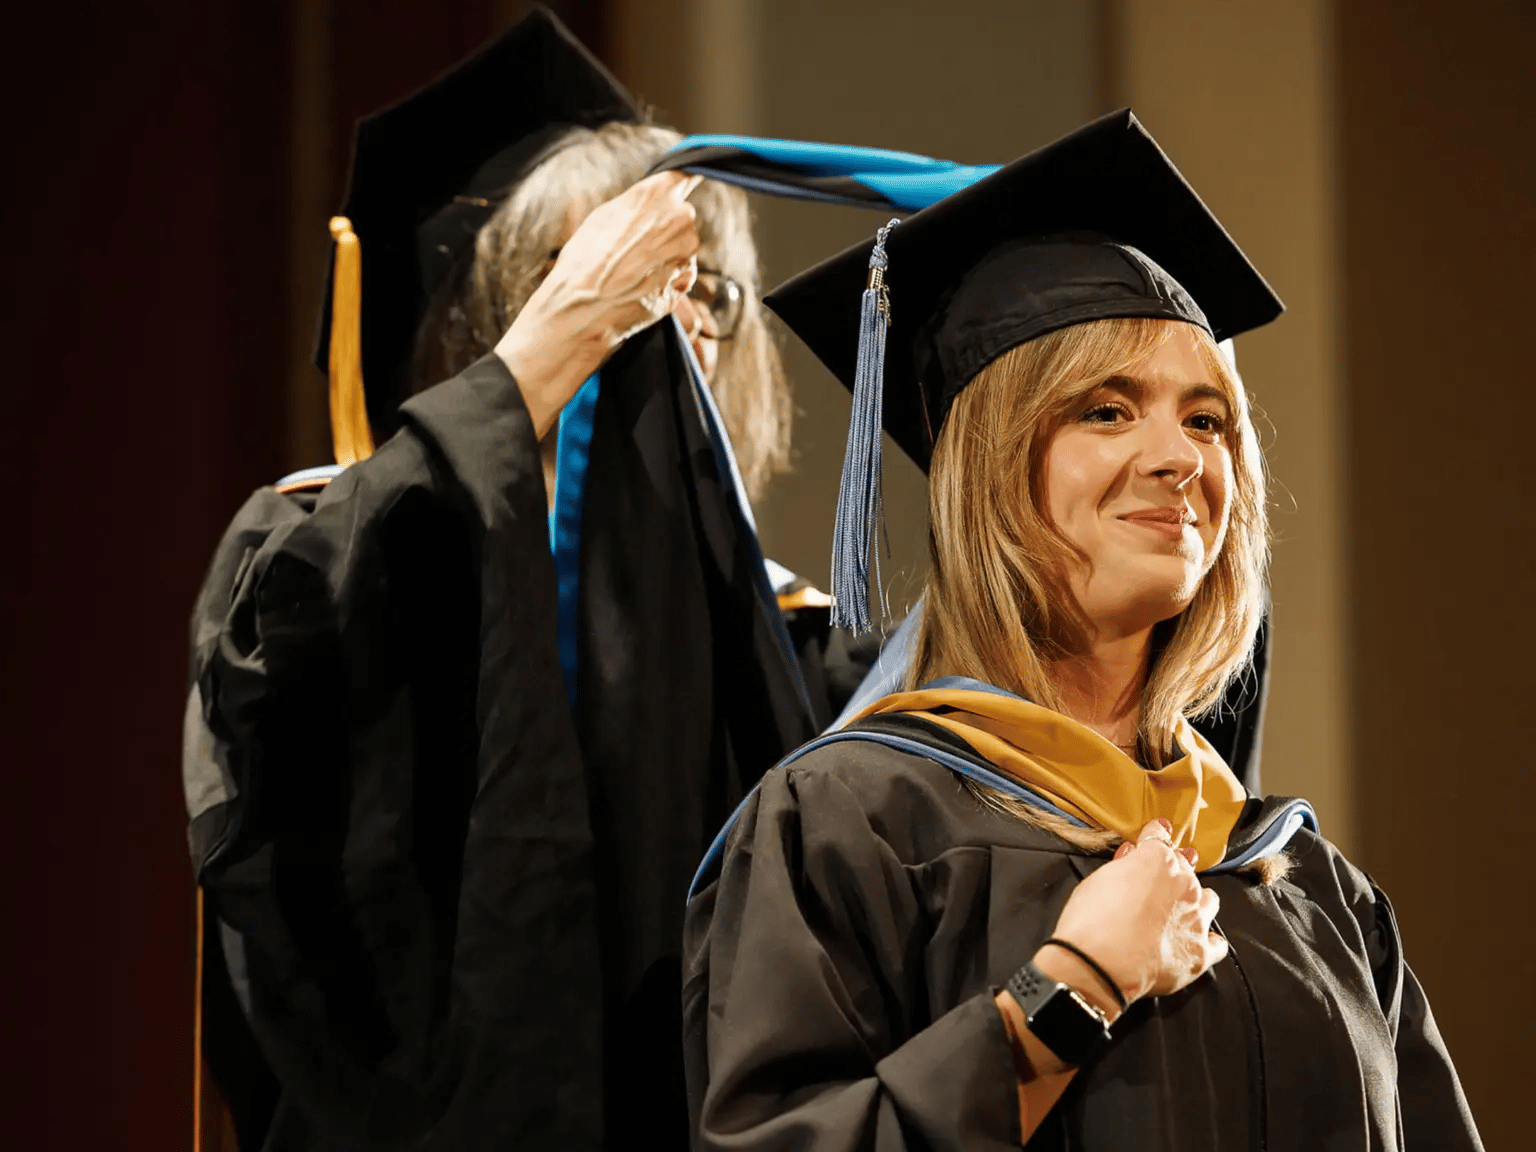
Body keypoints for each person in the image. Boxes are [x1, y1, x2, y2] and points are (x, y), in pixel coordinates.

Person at [682, 110, 1483, 1150]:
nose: (1176, 457)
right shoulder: (850, 827)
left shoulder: (1305, 884)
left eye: (1206, 420)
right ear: (988, 468)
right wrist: (1063, 995)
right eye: (1106, 410)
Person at [184, 11, 825, 1151]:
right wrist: (553, 349)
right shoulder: (329, 550)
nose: (665, 317)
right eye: (613, 276)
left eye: (701, 286)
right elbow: (287, 718)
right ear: (493, 316)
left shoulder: (806, 644)